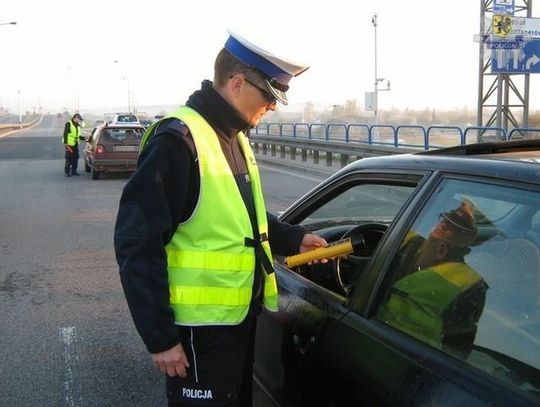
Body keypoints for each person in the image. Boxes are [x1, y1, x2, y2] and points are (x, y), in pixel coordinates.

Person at [114, 31, 327, 407]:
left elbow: (243, 218)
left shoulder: (233, 136)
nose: (273, 107)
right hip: (198, 333)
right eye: (269, 96)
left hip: (236, 321)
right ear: (238, 83)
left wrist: (293, 239)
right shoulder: (179, 141)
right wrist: (160, 338)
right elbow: (137, 245)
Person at [376, 200, 489, 358]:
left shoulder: (469, 286)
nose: (447, 222)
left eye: (459, 223)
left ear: (469, 240)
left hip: (407, 359)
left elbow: (456, 353)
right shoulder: (408, 240)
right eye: (448, 216)